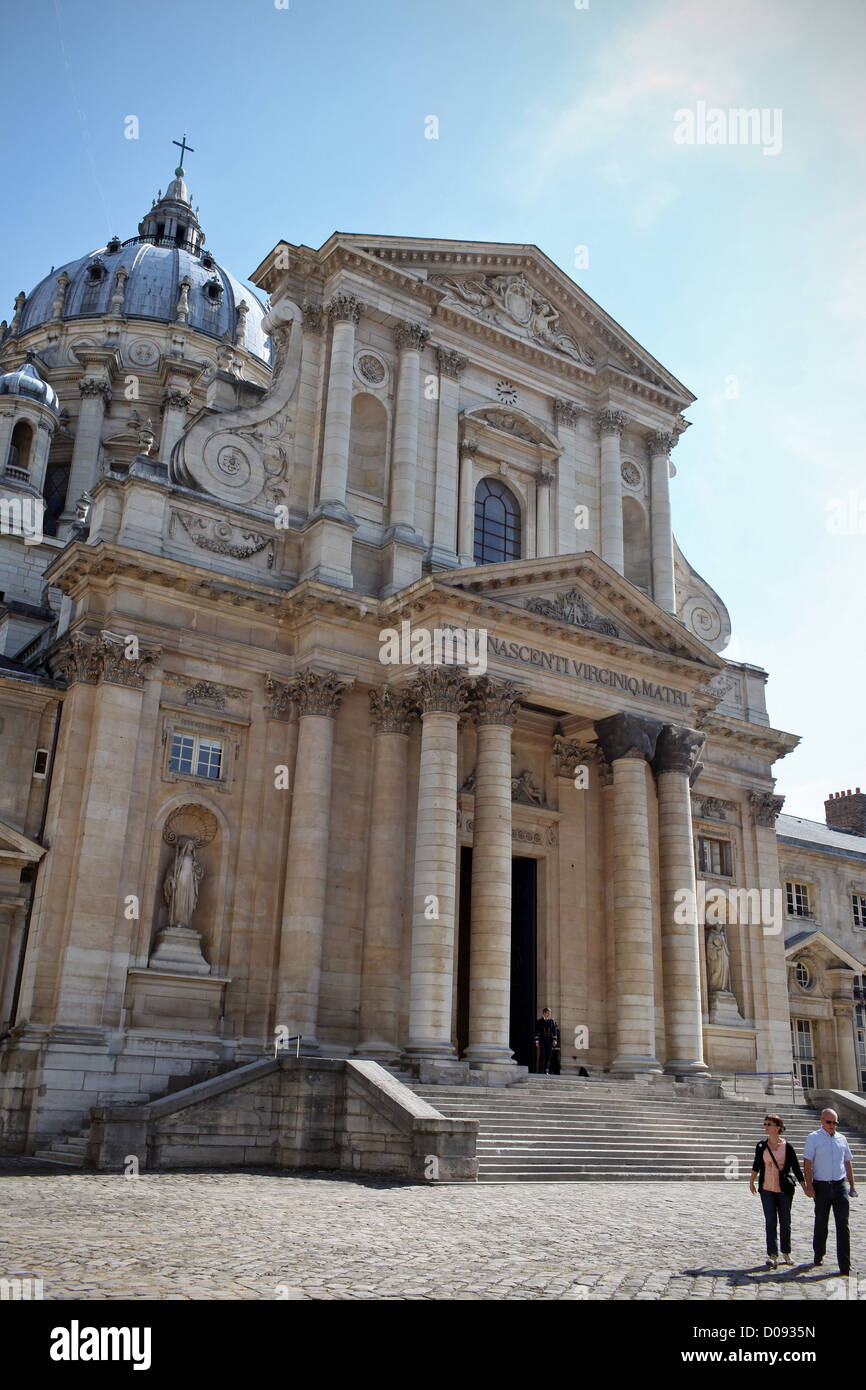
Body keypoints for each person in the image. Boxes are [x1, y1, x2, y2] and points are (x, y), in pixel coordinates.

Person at [803, 1108, 858, 1274]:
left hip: (840, 1185)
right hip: (822, 1186)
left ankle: (845, 1265)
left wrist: (852, 1185)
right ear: (822, 1121)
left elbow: (847, 1162)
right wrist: (809, 1185)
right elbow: (807, 1162)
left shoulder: (842, 1139)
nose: (832, 1125)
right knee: (821, 1222)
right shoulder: (813, 1138)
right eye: (829, 1122)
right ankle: (819, 1253)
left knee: (843, 1225)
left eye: (835, 1122)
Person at [749, 1113, 808, 1268]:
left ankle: (786, 1252)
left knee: (785, 1222)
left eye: (769, 1124)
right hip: (767, 1188)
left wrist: (804, 1185)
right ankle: (772, 1255)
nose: (766, 1126)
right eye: (765, 1124)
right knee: (770, 1222)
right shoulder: (761, 1145)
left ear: (778, 1127)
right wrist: (752, 1182)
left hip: (783, 1189)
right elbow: (756, 1165)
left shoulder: (787, 1147)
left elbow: (795, 1167)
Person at [534, 1008, 559, 1075]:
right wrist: (536, 1041)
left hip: (549, 1041)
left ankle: (546, 1070)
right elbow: (536, 1032)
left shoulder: (552, 1021)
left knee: (548, 1056)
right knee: (542, 1055)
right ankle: (540, 1070)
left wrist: (555, 1040)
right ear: (544, 1013)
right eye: (548, 1013)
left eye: (549, 1013)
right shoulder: (539, 1021)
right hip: (542, 1040)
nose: (549, 1014)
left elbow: (554, 1031)